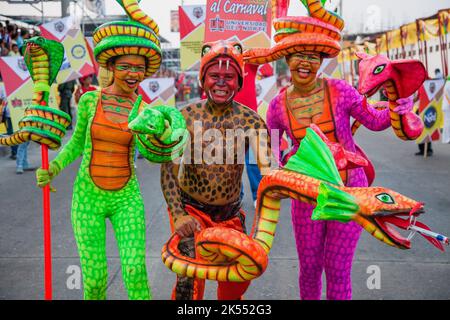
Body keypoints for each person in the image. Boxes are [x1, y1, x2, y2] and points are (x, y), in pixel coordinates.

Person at [259, 2, 415, 300]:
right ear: (287, 58)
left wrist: (397, 105)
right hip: (307, 195)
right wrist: (277, 173)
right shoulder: (277, 106)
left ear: (320, 60)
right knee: (309, 268)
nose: (305, 63)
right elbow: (272, 149)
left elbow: (375, 119)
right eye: (298, 56)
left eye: (313, 57)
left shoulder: (341, 90)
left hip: (350, 189)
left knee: (338, 268)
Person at [35, 1, 177, 300]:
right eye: (125, 67)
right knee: (96, 280)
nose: (133, 74)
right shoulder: (89, 101)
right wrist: (54, 169)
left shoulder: (144, 109)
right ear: (110, 67)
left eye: (139, 69)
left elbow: (153, 152)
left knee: (135, 271)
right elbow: (76, 143)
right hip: (88, 198)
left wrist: (165, 138)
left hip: (127, 197)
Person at [160, 40, 272, 300]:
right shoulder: (185, 117)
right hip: (191, 212)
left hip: (230, 215)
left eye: (229, 77)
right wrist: (178, 215)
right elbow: (168, 171)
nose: (222, 82)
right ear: (203, 79)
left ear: (239, 82)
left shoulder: (251, 120)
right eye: (214, 75)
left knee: (235, 282)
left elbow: (269, 172)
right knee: (189, 285)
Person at [442, 76, 450, 144]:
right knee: (448, 123)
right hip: (448, 107)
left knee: (447, 122)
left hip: (447, 106)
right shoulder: (449, 84)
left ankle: (447, 138)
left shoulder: (447, 83)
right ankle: (447, 138)